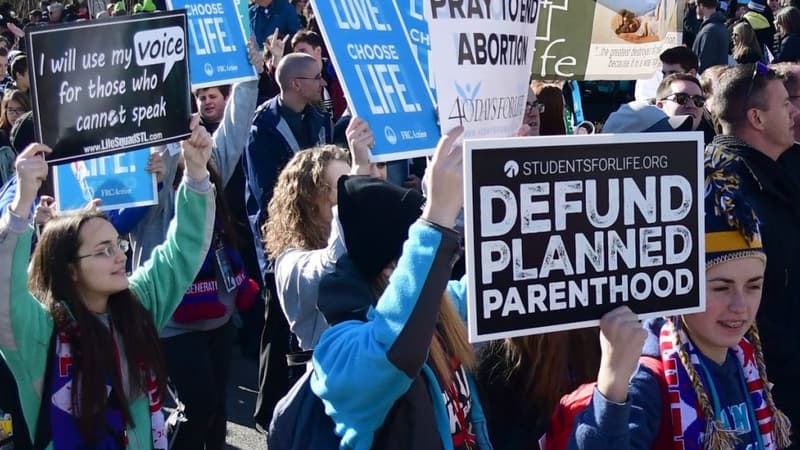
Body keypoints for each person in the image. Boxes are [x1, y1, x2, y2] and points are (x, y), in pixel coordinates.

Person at [0, 116, 215, 450]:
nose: (120, 257)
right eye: (104, 251)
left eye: (118, 245)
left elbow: (181, 253)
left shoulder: (137, 305)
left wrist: (197, 173)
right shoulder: (40, 333)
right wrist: (21, 205)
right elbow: (5, 292)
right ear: (69, 268)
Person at [569, 157, 792, 450]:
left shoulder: (743, 360)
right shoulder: (646, 381)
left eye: (753, 286)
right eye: (721, 287)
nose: (741, 306)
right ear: (679, 288)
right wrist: (612, 386)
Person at [310, 126, 493, 449]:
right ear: (394, 267)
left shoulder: (443, 304)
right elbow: (396, 351)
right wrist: (436, 221)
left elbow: (500, 287)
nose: (444, 266)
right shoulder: (337, 350)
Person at [706, 62, 800, 441]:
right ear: (757, 118)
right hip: (768, 382)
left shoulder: (777, 167)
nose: (794, 112)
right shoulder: (723, 188)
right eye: (784, 104)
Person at [693, 0, 730, 73]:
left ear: (701, 6)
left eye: (696, 6)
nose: (696, 9)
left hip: (708, 80)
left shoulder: (709, 31)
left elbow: (704, 64)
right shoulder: (720, 26)